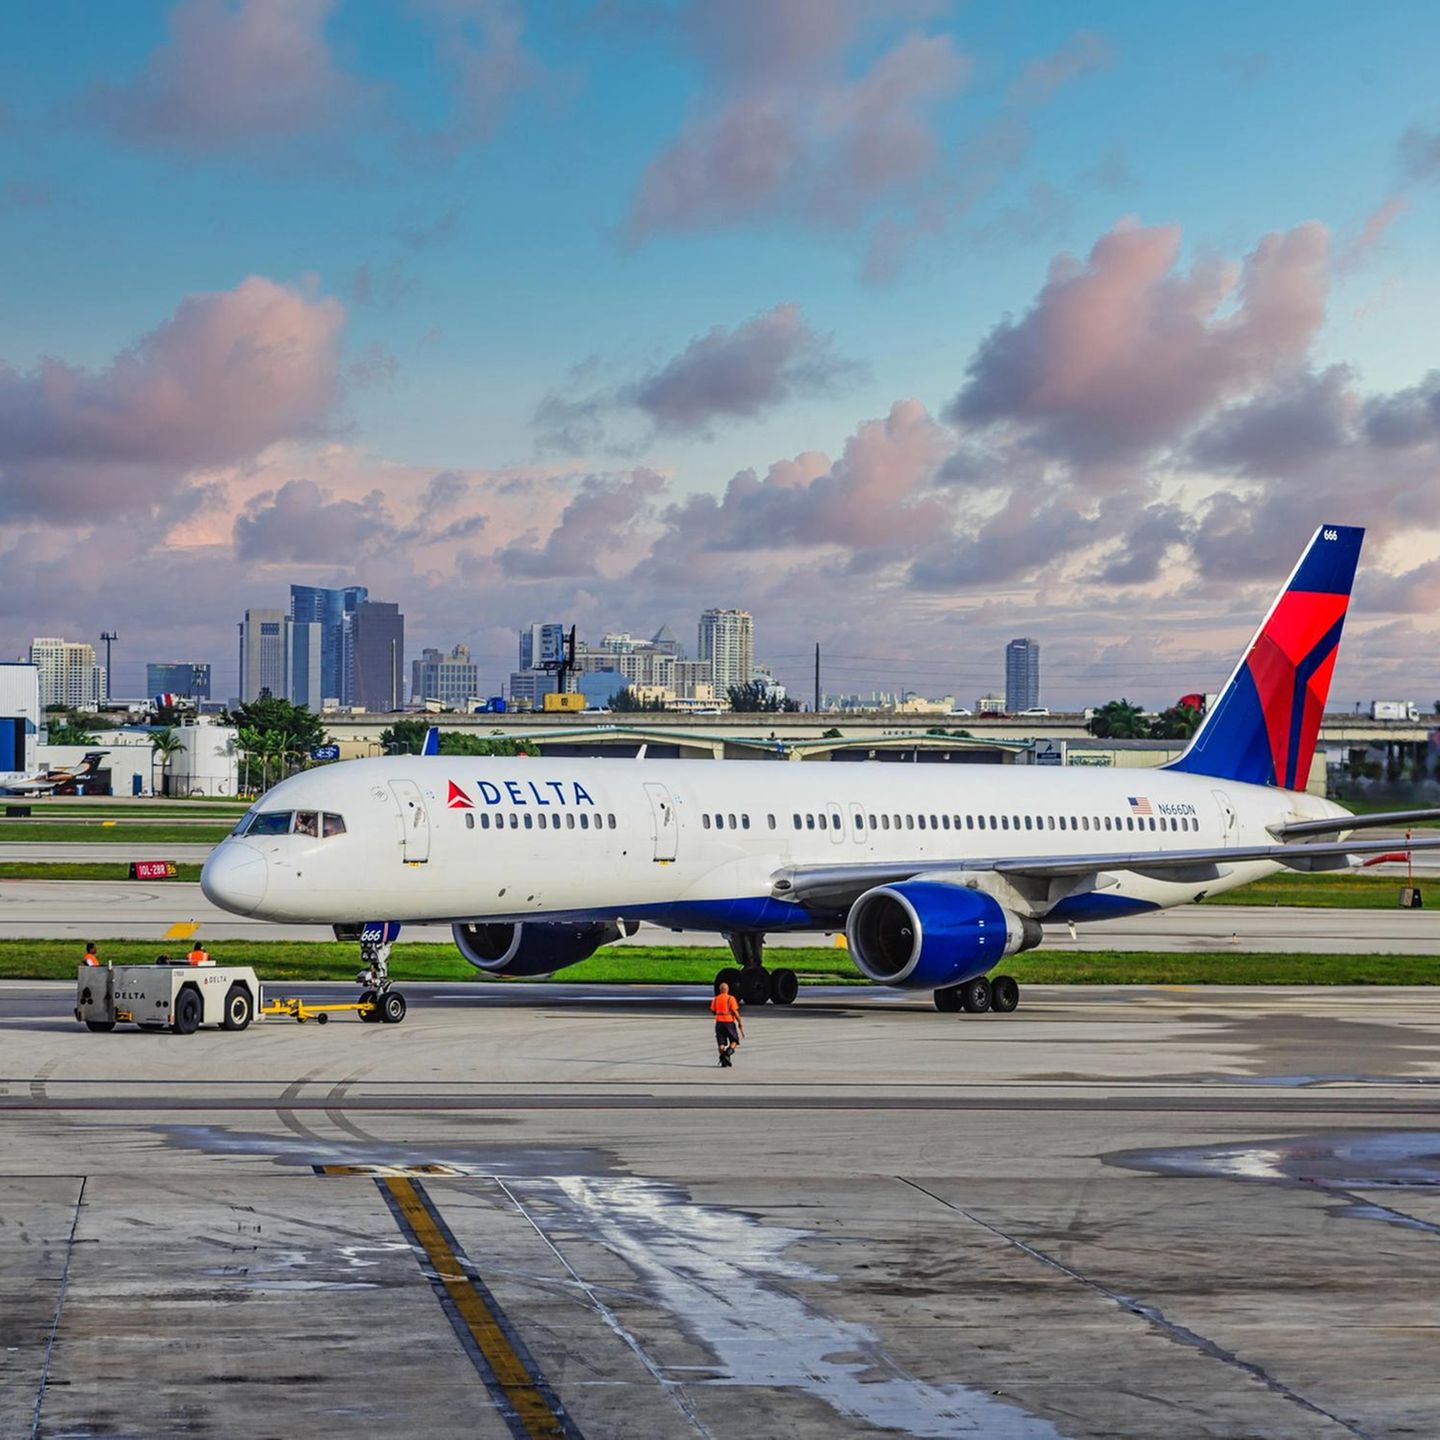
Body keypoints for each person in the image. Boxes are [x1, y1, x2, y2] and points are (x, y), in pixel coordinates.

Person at [710, 982, 744, 1067]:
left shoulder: (716, 999)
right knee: (734, 1040)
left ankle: (724, 1061)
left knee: (721, 1043)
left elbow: (713, 1011)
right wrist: (740, 1022)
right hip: (729, 1022)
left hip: (719, 1023)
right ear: (727, 990)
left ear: (720, 990)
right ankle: (726, 1055)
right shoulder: (730, 998)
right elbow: (735, 1012)